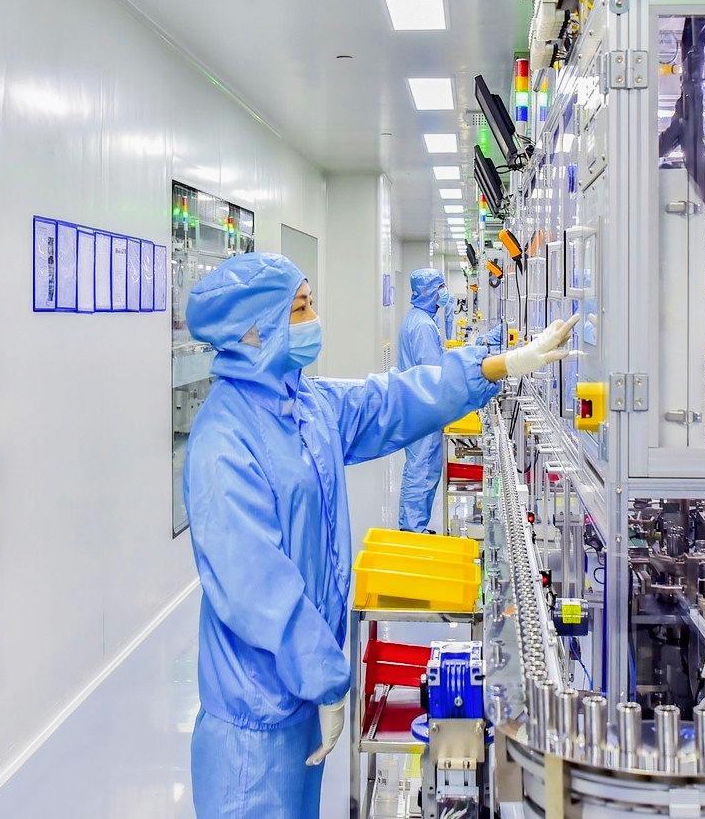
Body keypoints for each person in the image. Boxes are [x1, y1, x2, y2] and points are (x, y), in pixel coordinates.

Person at [181, 253, 575, 817]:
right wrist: (324, 678)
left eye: (311, 303)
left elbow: (391, 400)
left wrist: (497, 366)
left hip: (296, 686)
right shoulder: (223, 438)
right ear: (253, 330)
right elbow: (256, 588)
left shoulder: (305, 405)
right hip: (254, 708)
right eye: (300, 309)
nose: (314, 318)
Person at [396, 268, 450, 532]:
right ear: (428, 291)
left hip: (416, 403)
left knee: (421, 467)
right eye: (440, 288)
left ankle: (415, 526)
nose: (444, 293)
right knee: (421, 468)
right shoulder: (423, 325)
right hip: (422, 405)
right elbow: (433, 371)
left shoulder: (417, 318)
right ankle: (412, 529)